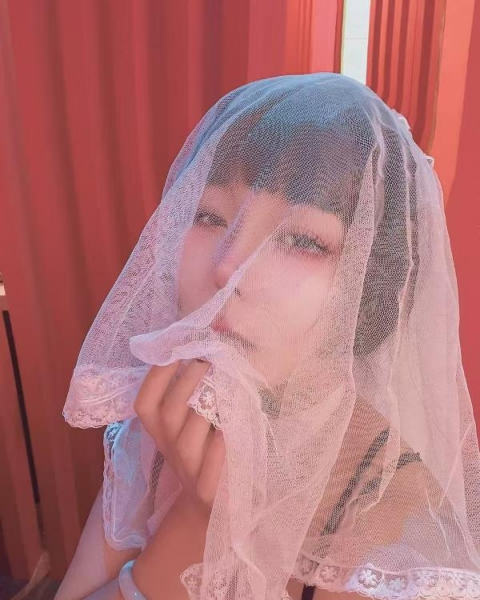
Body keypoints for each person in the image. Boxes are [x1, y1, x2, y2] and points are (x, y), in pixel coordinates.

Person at [56, 73, 480, 600]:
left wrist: (211, 522)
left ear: (369, 289)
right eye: (209, 215)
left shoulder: (397, 528)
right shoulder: (159, 425)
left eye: (302, 240)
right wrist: (195, 524)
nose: (227, 266)